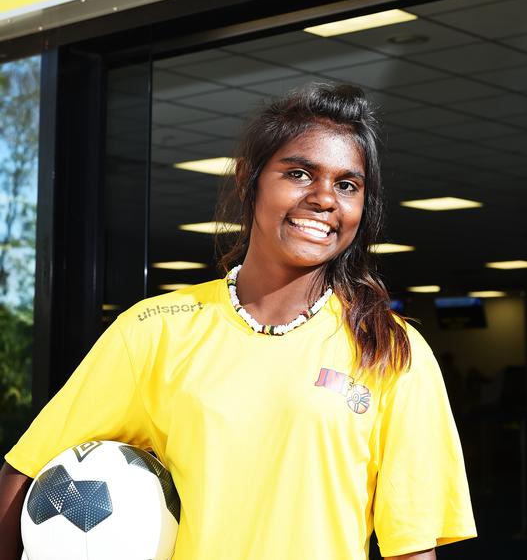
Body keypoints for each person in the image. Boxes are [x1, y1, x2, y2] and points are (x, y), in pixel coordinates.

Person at [0, 83, 476, 559]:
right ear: (249, 179)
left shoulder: (391, 351)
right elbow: (22, 475)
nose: (325, 198)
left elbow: (412, 549)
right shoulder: (155, 330)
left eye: (347, 185)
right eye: (299, 174)